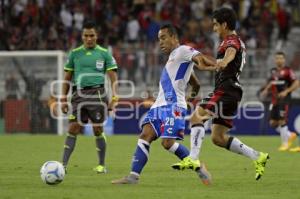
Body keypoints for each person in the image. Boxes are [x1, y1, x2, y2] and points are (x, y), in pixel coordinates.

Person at [173, 7, 269, 181]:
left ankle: (193, 159)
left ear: (225, 24)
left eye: (216, 25)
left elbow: (231, 53)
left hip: (226, 89)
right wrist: (213, 65)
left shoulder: (230, 41)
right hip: (232, 91)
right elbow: (224, 62)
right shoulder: (235, 40)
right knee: (217, 137)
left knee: (196, 118)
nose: (214, 28)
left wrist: (224, 61)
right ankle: (258, 156)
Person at [111, 24, 216, 185]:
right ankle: (133, 177)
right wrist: (189, 100)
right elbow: (195, 85)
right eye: (159, 39)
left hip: (173, 106)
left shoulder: (182, 51)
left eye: (163, 38)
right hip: (159, 106)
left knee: (167, 143)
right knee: (145, 135)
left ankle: (199, 167)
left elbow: (199, 58)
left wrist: (207, 64)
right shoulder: (174, 59)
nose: (160, 42)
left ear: (174, 38)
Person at [60, 20, 118, 173]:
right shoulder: (75, 54)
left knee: (97, 129)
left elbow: (113, 78)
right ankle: (63, 165)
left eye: (92, 35)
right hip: (78, 94)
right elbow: (67, 78)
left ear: (96, 36)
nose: (89, 38)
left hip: (97, 94)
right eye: (86, 35)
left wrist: (115, 98)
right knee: (73, 128)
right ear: (82, 36)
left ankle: (101, 165)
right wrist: (62, 98)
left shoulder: (104, 53)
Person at [261, 52, 299, 151]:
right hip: (274, 100)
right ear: (275, 60)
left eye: (281, 58)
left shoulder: (288, 71)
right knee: (273, 123)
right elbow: (271, 82)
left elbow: (296, 82)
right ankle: (290, 135)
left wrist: (286, 91)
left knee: (282, 120)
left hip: (284, 100)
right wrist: (266, 89)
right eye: (277, 58)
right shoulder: (273, 71)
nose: (279, 60)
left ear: (284, 60)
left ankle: (285, 144)